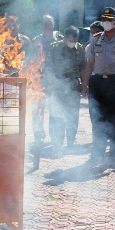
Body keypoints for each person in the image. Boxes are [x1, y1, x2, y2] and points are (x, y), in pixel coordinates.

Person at [81, 7, 115, 165]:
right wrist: (85, 85)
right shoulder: (95, 39)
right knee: (97, 119)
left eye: (109, 20)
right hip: (97, 83)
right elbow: (89, 64)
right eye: (104, 19)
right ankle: (97, 153)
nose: (106, 22)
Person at [45, 26, 86, 156]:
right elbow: (49, 68)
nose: (73, 43)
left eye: (75, 40)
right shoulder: (54, 47)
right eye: (70, 40)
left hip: (74, 86)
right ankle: (56, 143)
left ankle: (71, 142)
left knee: (73, 115)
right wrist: (50, 85)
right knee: (56, 115)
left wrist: (85, 86)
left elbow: (83, 69)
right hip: (58, 85)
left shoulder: (80, 48)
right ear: (65, 37)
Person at [29, 15, 64, 156]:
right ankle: (38, 135)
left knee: (55, 110)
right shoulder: (36, 41)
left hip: (55, 80)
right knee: (37, 110)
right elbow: (30, 60)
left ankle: (55, 138)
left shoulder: (60, 39)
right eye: (44, 23)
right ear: (41, 25)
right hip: (39, 80)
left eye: (49, 22)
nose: (47, 25)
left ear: (54, 24)